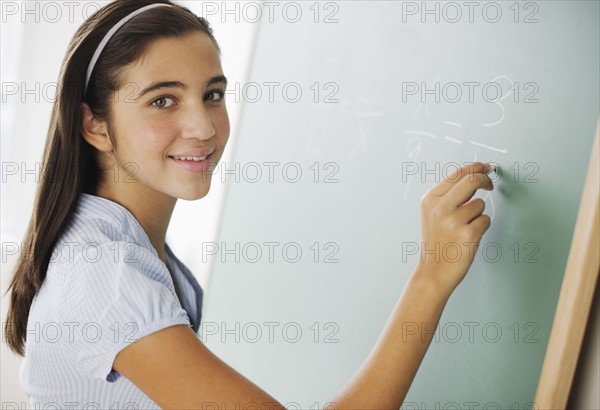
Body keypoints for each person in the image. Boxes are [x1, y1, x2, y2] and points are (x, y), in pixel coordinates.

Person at [3, 0, 494, 408]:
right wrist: (431, 278)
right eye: (163, 100)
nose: (203, 126)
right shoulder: (107, 276)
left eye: (212, 94)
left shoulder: (128, 245)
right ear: (96, 126)